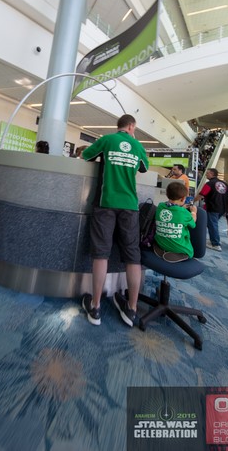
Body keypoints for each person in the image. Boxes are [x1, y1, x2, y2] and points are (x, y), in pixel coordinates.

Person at [81, 114, 149, 327]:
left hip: (106, 202)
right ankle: (132, 309)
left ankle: (96, 306)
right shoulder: (138, 146)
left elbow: (86, 155)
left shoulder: (107, 140)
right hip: (130, 206)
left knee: (101, 253)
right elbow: (143, 168)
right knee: (132, 257)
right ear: (131, 126)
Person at [154, 182, 197, 262]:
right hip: (177, 246)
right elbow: (193, 224)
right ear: (183, 199)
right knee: (189, 251)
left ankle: (162, 248)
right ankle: (179, 253)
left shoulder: (160, 206)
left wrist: (181, 208)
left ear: (167, 194)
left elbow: (173, 211)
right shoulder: (184, 213)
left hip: (160, 242)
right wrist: (194, 212)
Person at [194, 168, 228, 251]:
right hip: (222, 208)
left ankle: (215, 243)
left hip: (212, 207)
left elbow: (201, 195)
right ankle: (214, 239)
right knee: (211, 224)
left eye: (207, 173)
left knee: (212, 225)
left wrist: (192, 201)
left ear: (211, 174)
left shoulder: (209, 184)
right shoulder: (225, 184)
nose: (206, 175)